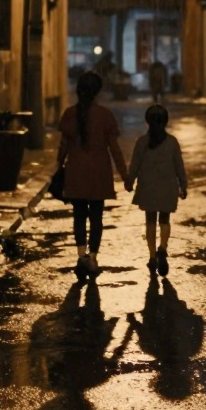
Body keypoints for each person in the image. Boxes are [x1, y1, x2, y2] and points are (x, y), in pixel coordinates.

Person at [57, 72, 130, 277]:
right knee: (96, 217)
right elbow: (114, 148)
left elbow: (63, 146)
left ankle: (81, 256)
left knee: (79, 216)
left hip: (76, 171)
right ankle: (93, 257)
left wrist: (58, 165)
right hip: (99, 172)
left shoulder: (70, 113)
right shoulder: (105, 115)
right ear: (97, 91)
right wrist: (125, 175)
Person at [126, 105, 188, 277]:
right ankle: (163, 248)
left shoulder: (142, 143)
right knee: (165, 219)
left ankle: (152, 256)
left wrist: (129, 181)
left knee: (150, 220)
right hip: (168, 187)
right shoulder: (172, 142)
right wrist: (183, 185)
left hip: (148, 186)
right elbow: (179, 167)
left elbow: (134, 166)